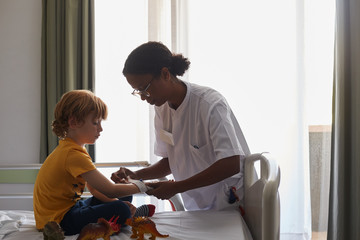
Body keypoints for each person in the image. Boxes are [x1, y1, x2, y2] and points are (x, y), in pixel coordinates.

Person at [111, 41, 251, 211]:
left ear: (165, 74)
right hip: (197, 207)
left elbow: (231, 163)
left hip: (229, 204)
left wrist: (177, 187)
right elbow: (172, 161)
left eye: (144, 88)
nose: (143, 97)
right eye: (138, 91)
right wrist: (136, 175)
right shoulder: (162, 108)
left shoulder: (210, 104)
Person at [33, 90, 154, 236]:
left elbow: (95, 190)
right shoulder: (73, 155)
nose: (100, 129)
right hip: (59, 221)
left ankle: (122, 216)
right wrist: (144, 186)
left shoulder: (73, 149)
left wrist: (118, 201)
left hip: (72, 209)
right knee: (120, 208)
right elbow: (110, 190)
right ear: (74, 122)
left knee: (122, 199)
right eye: (95, 122)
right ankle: (123, 218)